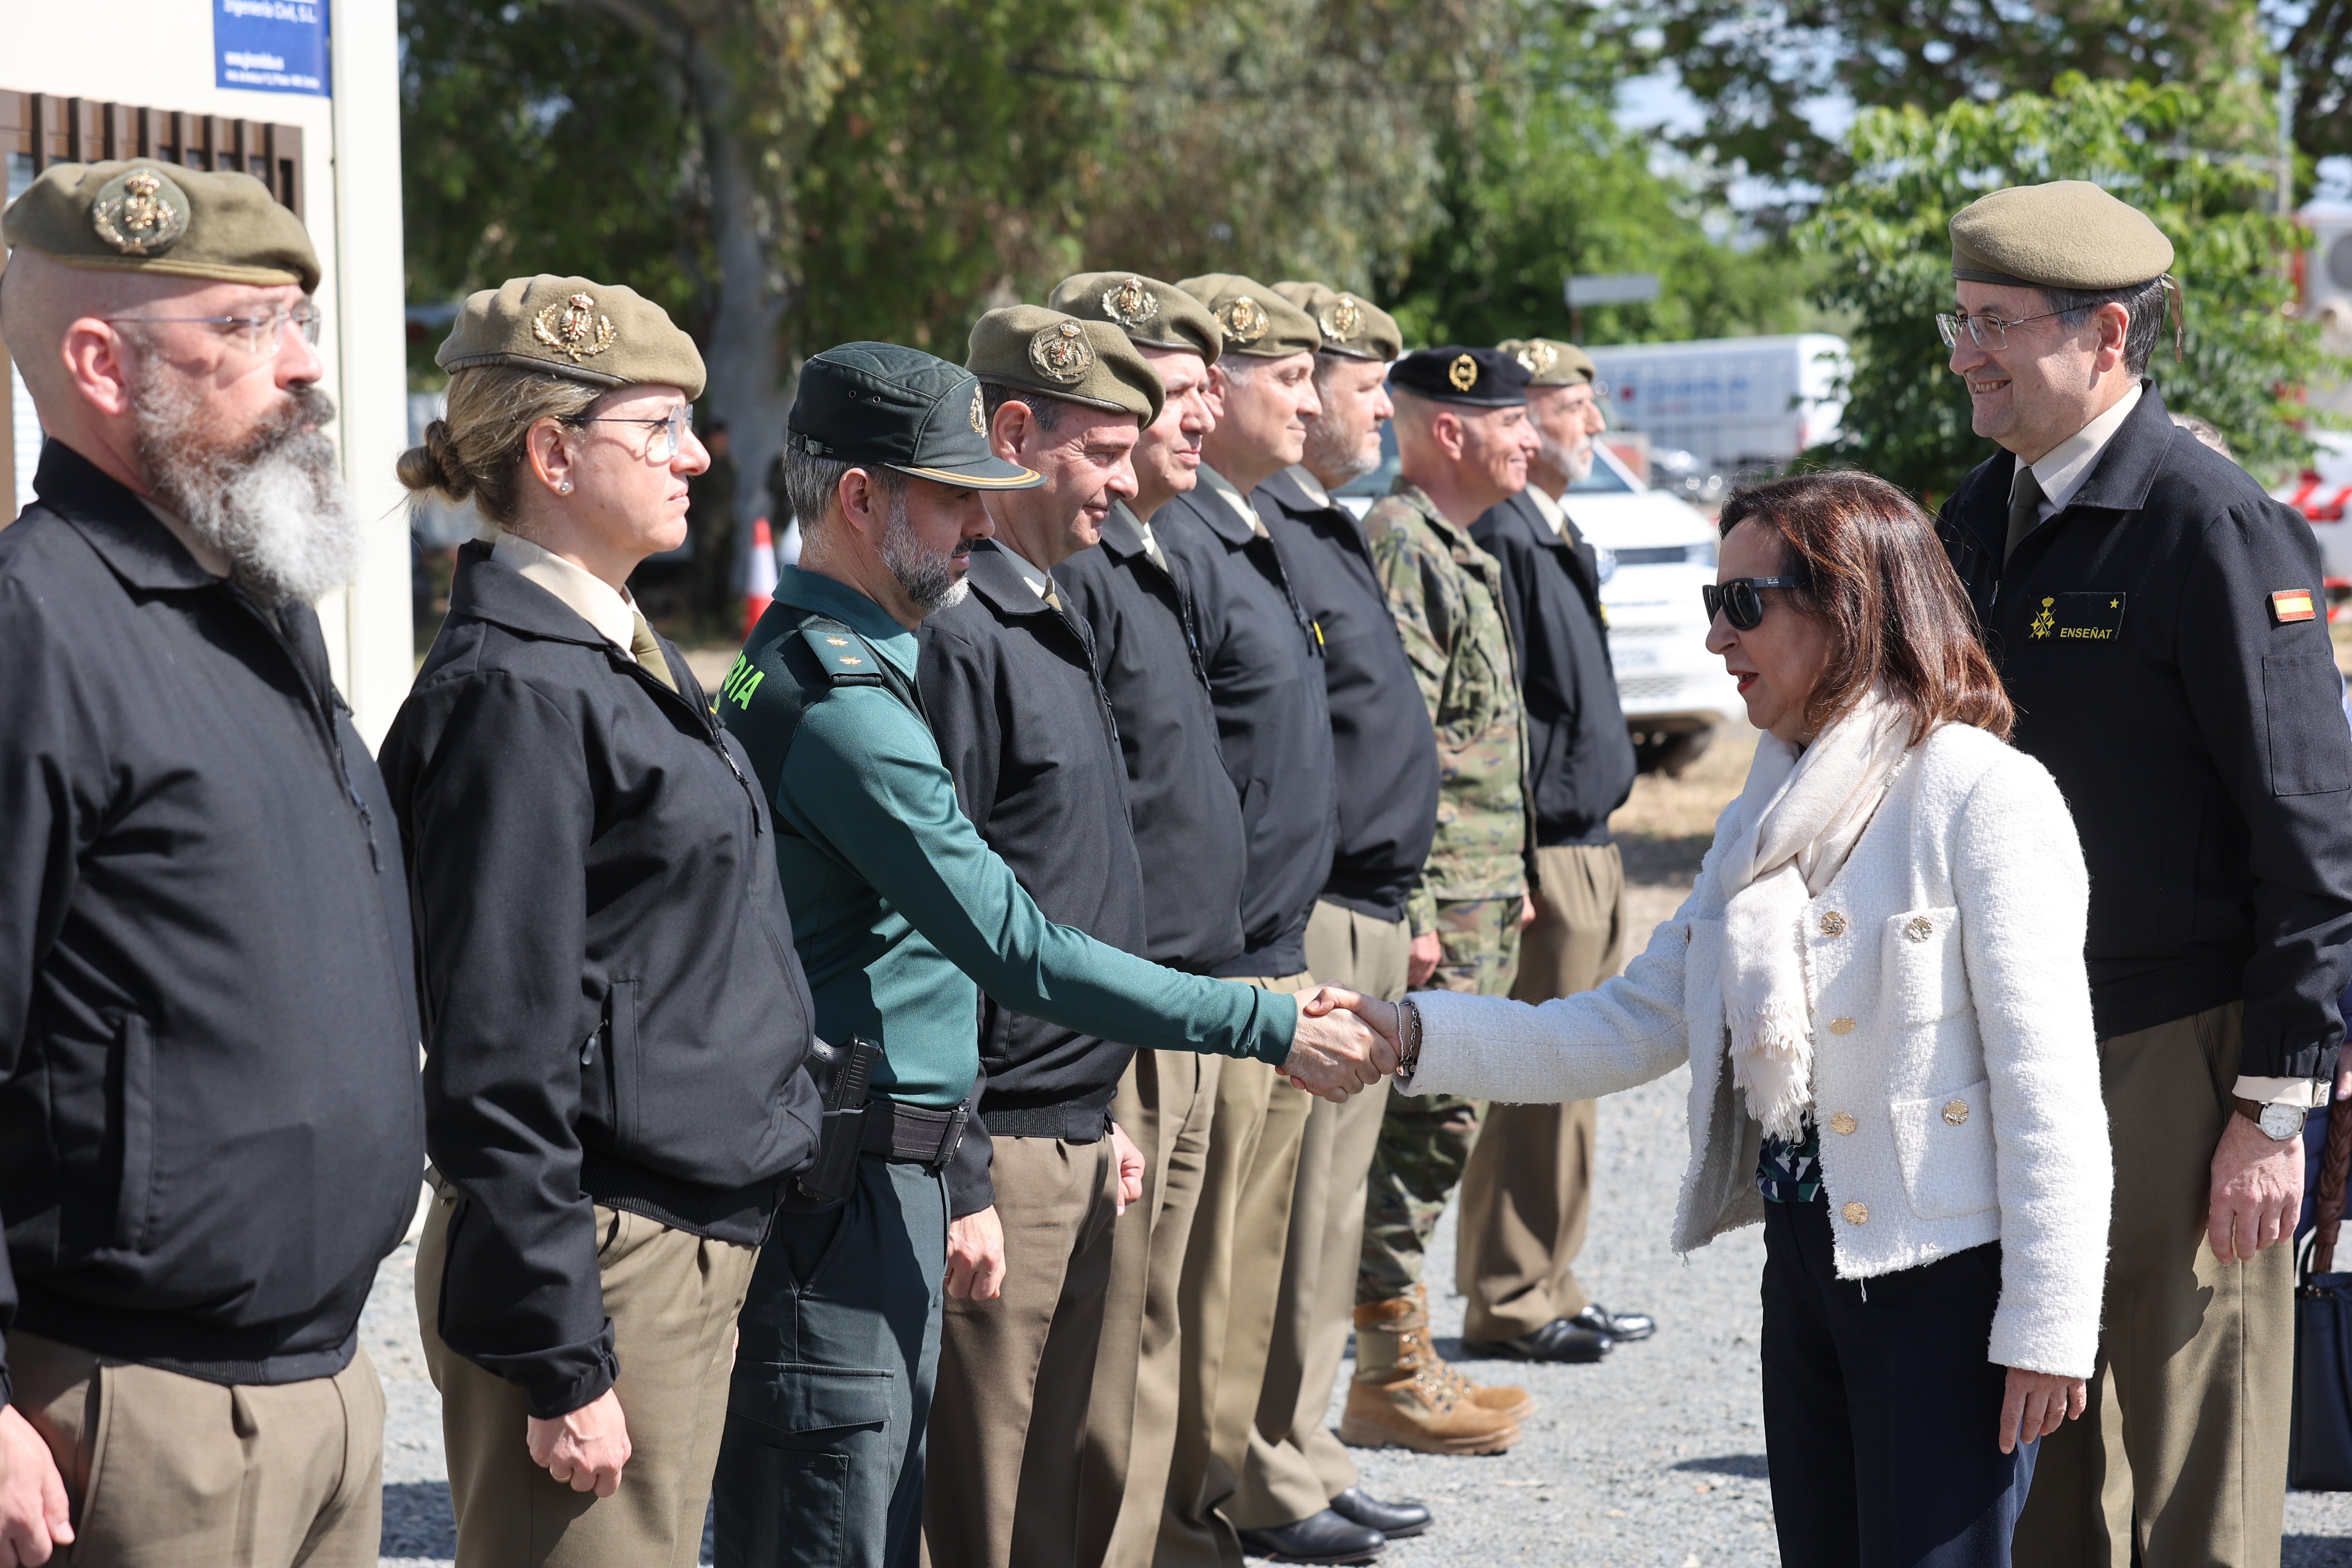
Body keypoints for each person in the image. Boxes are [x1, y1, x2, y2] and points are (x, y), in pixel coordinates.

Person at [1330, 470, 2115, 1568]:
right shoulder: (1764, 809)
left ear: (1849, 606)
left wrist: (2046, 1330)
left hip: (1943, 1291)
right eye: (1711, 600)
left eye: (1742, 604)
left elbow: (2050, 1092)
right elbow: (1619, 1025)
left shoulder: (1979, 794)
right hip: (1807, 1268)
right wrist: (1408, 1034)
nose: (1714, 637)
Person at [713, 340, 1390, 1568]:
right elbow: (1014, 945)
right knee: (844, 1525)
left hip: (887, 1156)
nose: (985, 519)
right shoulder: (842, 701)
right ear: (862, 501)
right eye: (954, 496)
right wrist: (1270, 1026)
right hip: (854, 1180)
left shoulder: (826, 657)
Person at [0, 161, 423, 1567]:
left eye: (298, 321)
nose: (305, 370)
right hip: (142, 1424)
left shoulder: (257, 612)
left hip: (325, 1388)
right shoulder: (38, 629)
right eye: (244, 329)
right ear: (99, 366)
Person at [1931, 181, 2352, 1568]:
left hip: (2179, 1051)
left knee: (2198, 1472)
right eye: (1963, 320)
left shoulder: (2210, 525)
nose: (1968, 352)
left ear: (2106, 333)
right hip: (2015, 1041)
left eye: (1997, 324)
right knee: (2041, 1464)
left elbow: (2311, 829)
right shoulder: (1977, 519)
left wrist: (2274, 1110)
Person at [384, 275, 821, 1568]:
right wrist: (563, 1355)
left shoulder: (612, 649)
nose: (699, 455)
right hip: (595, 1258)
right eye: (660, 429)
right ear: (554, 451)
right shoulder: (516, 694)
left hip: (664, 1250)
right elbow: (498, 1052)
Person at [913, 306, 1164, 1568]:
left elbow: (1066, 880)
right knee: (992, 1515)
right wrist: (963, 1174)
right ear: (1013, 434)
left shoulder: (1047, 612)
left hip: (1069, 1127)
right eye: (1105, 455)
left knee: (1073, 1497)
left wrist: (1096, 1097)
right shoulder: (959, 635)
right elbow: (931, 928)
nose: (1130, 485)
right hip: (999, 1154)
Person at [1041, 273, 1254, 1567]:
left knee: (1160, 1316)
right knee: (1110, 1339)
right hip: (1123, 1000)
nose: (1198, 416)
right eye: (1169, 395)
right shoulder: (1078, 568)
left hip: (1184, 983)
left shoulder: (1150, 550)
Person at [1236, 280, 1444, 1561]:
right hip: (1309, 911)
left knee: (1326, 1215)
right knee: (1292, 1217)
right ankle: (1268, 1465)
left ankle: (1303, 1444)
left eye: (1355, 386)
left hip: (1364, 901)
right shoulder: (1264, 526)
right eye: (1336, 385)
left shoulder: (1314, 525)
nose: (1347, 409)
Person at [1148, 274, 1340, 1565]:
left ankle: (1218, 1493)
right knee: (1173, 1289)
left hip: (1263, 954)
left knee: (1244, 1263)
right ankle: (1183, 1509)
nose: (1310, 402)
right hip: (1186, 975)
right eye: (1186, 383)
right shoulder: (1165, 547)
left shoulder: (1230, 530)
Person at [1347, 345, 1540, 1455]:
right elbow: (1398, 746)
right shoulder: (1402, 547)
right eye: (1508, 422)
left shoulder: (1458, 549)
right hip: (1439, 907)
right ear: (1451, 433)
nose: (1530, 439)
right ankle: (1387, 1374)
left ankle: (1398, 1359)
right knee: (1419, 1131)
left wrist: (1498, 873)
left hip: (1475, 892)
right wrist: (1415, 906)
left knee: (1443, 1127)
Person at [1460, 336, 1651, 1365]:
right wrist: (1517, 859)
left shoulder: (1550, 531)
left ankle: (1552, 1276)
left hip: (1588, 839)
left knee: (1573, 1080)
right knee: (1535, 1077)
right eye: (1574, 406)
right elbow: (1508, 720)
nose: (1591, 425)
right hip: (1549, 848)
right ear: (1524, 420)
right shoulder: (1504, 538)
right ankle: (1509, 1289)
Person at [688, 416, 737, 631]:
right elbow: (694, 498)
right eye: (718, 436)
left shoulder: (728, 462)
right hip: (707, 528)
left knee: (723, 573)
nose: (722, 440)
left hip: (725, 526)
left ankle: (721, 618)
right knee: (704, 574)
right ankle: (700, 619)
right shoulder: (704, 465)